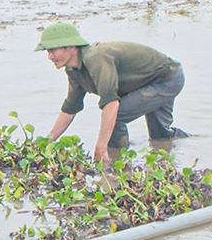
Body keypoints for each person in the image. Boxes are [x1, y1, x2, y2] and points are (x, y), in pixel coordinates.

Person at [36, 22, 188, 162]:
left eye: (52, 50)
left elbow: (111, 104)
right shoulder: (74, 70)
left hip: (166, 79)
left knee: (116, 116)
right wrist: (47, 142)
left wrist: (101, 148)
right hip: (147, 81)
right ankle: (186, 145)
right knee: (160, 137)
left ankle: (117, 161)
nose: (49, 57)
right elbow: (70, 108)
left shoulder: (96, 58)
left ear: (71, 47)